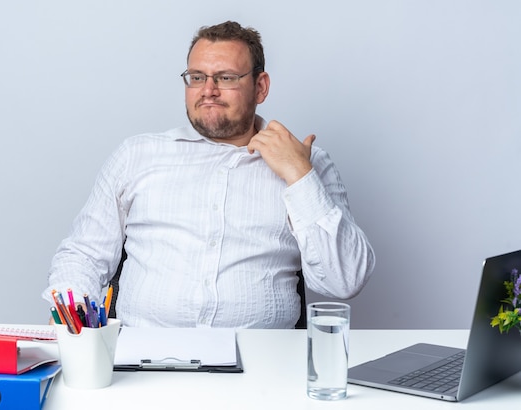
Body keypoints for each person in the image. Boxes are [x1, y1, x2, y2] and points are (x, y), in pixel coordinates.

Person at [42, 21, 375, 328]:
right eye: (197, 77)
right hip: (141, 360)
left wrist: (299, 175)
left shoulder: (308, 163)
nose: (208, 90)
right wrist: (80, 334)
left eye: (226, 77)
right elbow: (83, 255)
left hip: (265, 369)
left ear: (260, 87)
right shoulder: (137, 156)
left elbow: (344, 282)